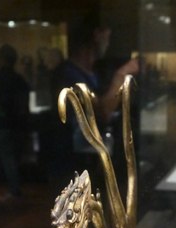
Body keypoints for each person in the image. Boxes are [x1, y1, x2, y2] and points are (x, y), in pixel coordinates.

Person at [46, 12, 139, 195]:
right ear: (97, 35)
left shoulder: (92, 73)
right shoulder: (67, 74)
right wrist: (121, 76)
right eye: (107, 37)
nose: (108, 43)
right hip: (72, 163)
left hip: (90, 159)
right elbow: (101, 113)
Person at [0, 44, 30, 199]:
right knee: (15, 157)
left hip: (3, 123)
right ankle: (15, 187)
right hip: (18, 123)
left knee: (7, 158)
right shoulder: (19, 79)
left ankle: (14, 188)